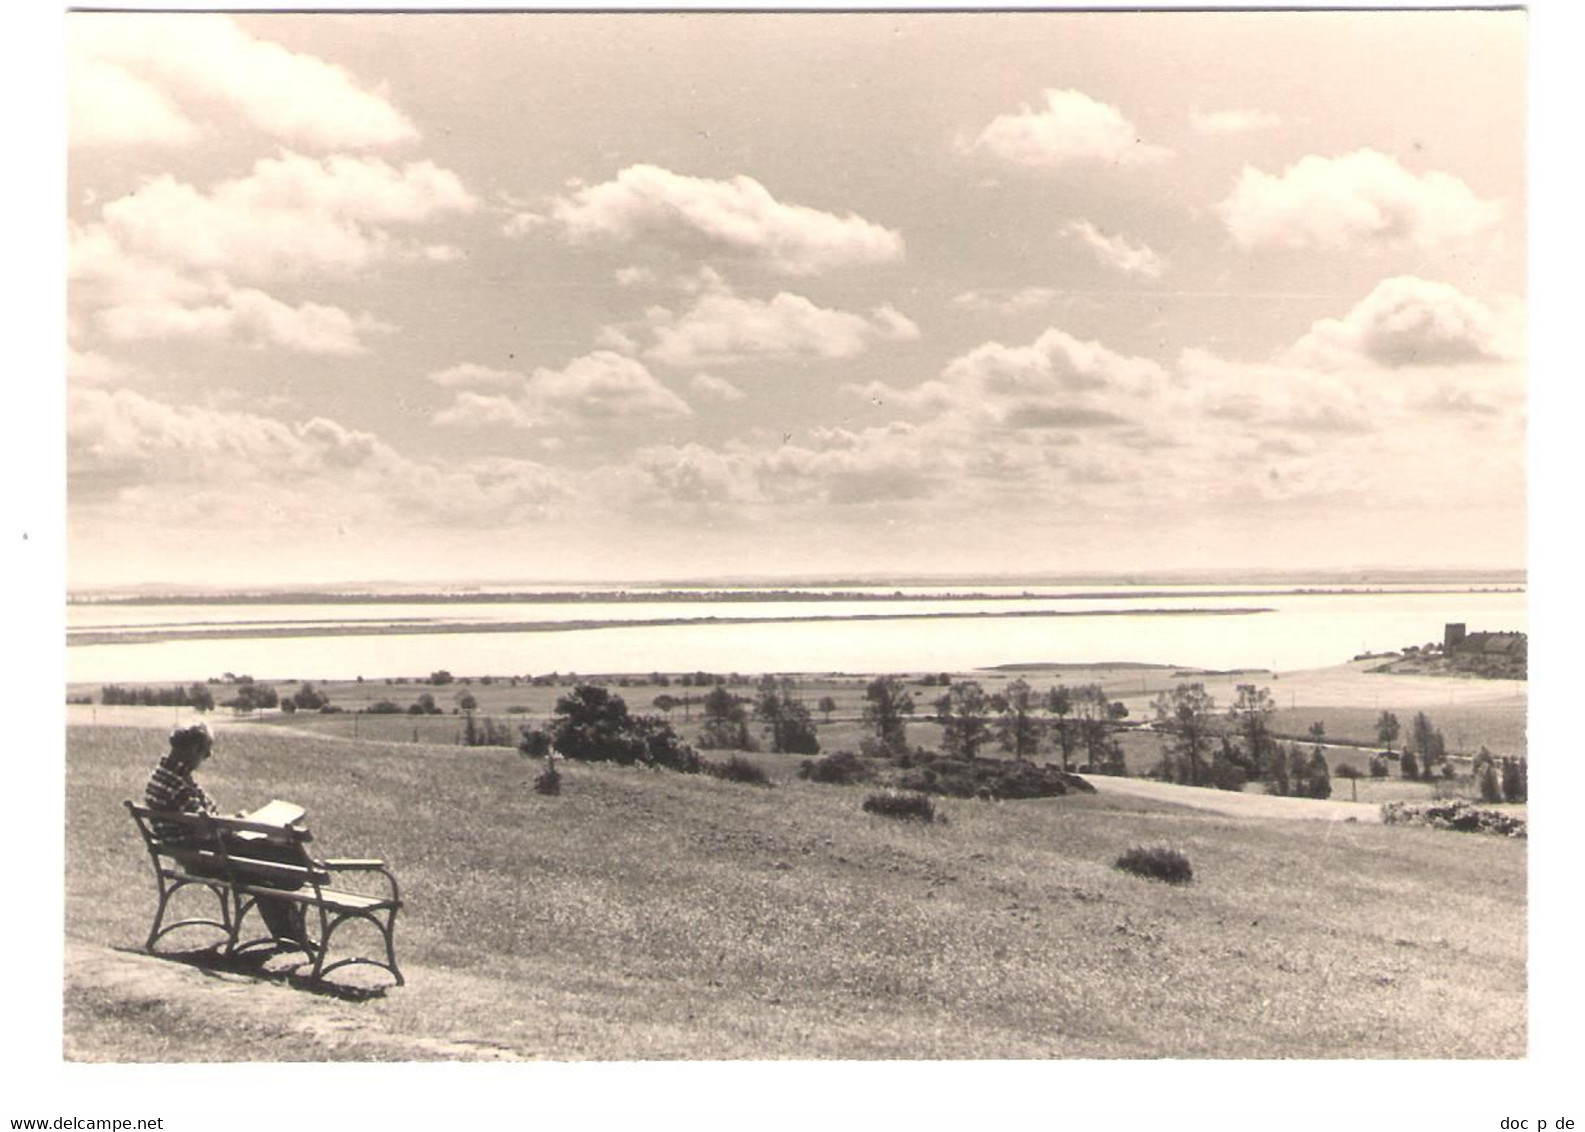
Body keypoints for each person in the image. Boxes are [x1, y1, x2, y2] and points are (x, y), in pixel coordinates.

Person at [145, 721, 312, 946]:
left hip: (195, 852)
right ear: (193, 748)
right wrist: (237, 822)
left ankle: (292, 935)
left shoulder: (164, 776)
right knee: (276, 862)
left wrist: (233, 821)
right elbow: (206, 826)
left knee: (269, 864)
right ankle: (295, 928)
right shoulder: (178, 784)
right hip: (205, 857)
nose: (208, 756)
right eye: (206, 751)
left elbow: (205, 818)